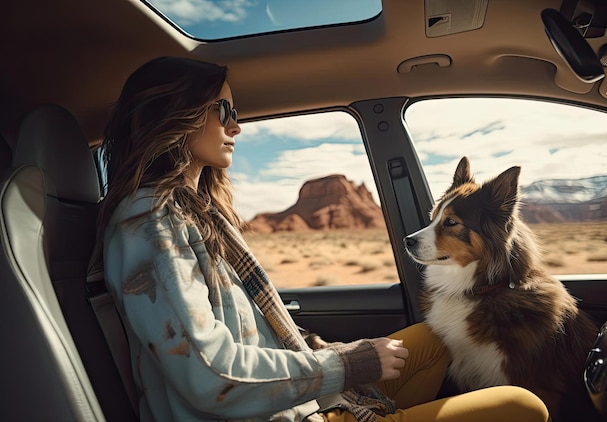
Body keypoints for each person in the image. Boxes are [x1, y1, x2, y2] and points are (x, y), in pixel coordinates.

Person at [96, 56, 550, 422]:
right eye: (225, 111)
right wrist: (345, 365)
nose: (236, 126)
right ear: (178, 114)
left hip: (286, 398)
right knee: (522, 407)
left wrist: (330, 353)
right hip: (264, 412)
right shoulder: (151, 221)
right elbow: (210, 376)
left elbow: (253, 333)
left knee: (431, 345)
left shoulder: (199, 213)